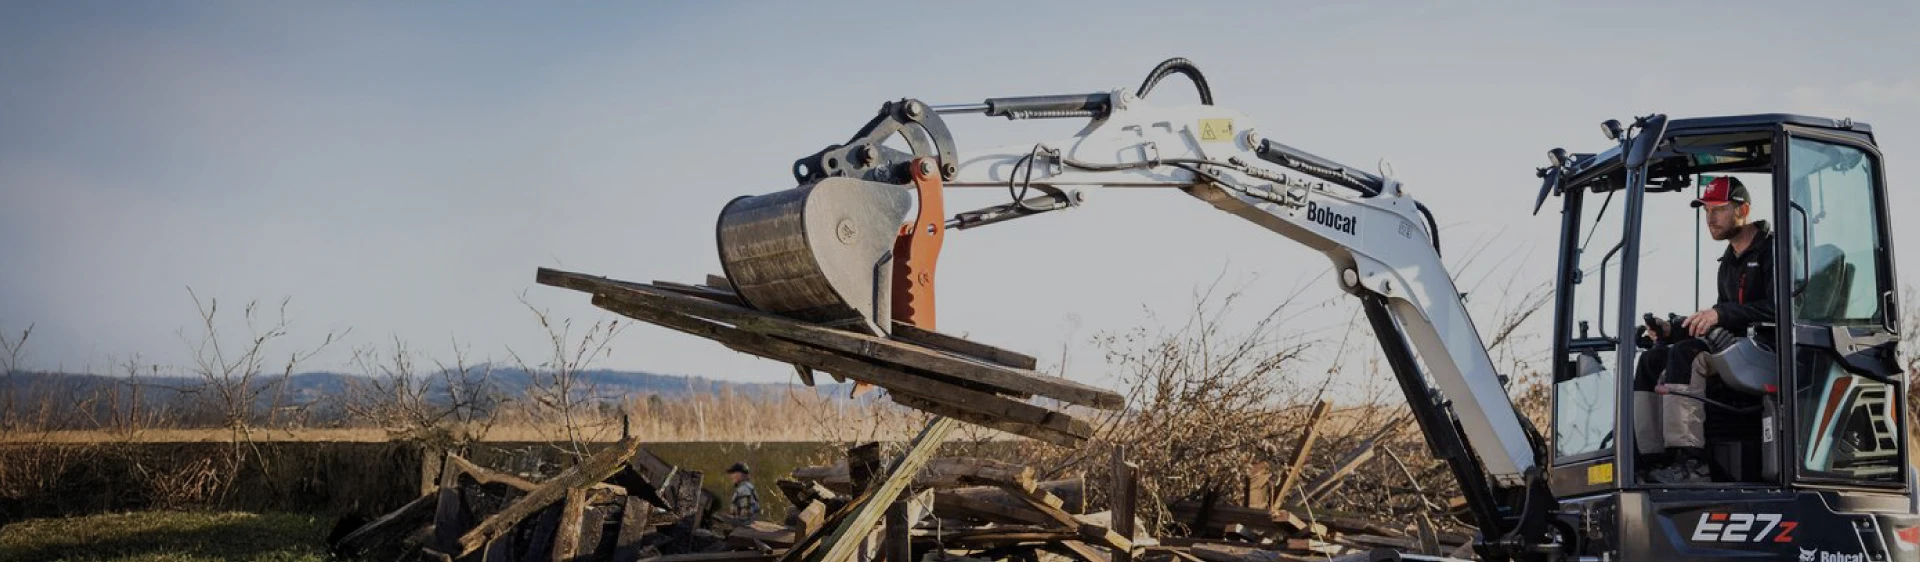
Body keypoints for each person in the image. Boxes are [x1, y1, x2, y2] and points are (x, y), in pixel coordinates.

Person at [1635, 176, 1775, 484]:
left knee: (1688, 356)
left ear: (1743, 210)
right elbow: (1720, 317)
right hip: (1734, 347)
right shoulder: (1728, 261)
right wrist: (1671, 330)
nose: (1710, 218)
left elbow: (1778, 309)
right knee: (1652, 360)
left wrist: (1720, 314)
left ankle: (1691, 463)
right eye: (1706, 210)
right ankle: (1651, 460)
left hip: (1768, 350)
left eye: (1719, 209)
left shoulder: (1774, 250)